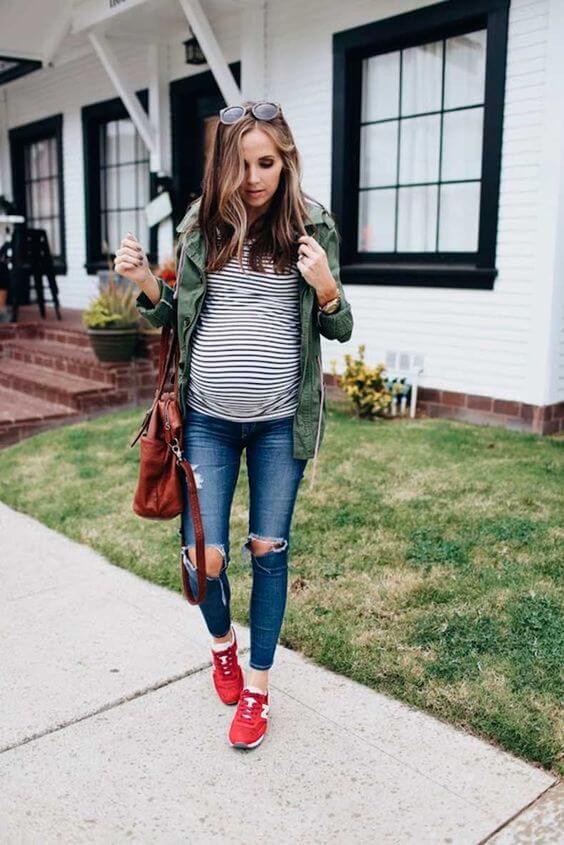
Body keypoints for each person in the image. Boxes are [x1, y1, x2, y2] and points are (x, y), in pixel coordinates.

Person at [114, 100, 353, 750]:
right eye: (242, 164)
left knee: (268, 550)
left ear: (286, 160)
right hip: (208, 421)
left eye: (266, 163)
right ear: (224, 166)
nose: (253, 178)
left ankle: (258, 688)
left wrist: (325, 285)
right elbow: (175, 315)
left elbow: (339, 325)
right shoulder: (204, 228)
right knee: (204, 559)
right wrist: (144, 279)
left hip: (280, 424)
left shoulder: (313, 227)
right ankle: (222, 646)